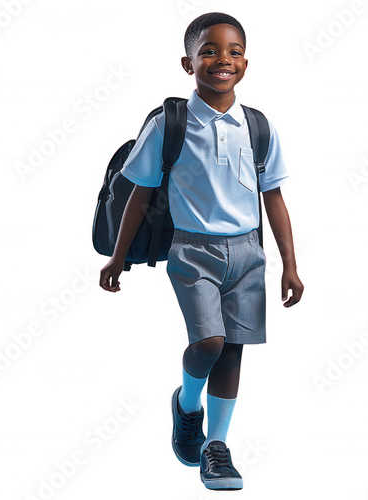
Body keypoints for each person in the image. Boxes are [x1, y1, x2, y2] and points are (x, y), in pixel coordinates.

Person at [99, 12, 304, 490]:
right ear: (188, 63)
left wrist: (290, 264)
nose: (222, 60)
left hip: (249, 252)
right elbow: (140, 193)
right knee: (209, 342)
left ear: (246, 64)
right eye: (208, 51)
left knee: (233, 349)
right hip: (192, 251)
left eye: (233, 52)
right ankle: (187, 404)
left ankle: (217, 446)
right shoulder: (171, 123)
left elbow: (273, 196)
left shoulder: (257, 127)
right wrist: (117, 256)